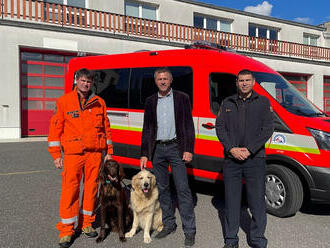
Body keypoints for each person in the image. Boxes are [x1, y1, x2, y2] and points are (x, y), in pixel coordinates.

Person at [48, 68, 113, 248]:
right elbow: (55, 129)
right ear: (77, 80)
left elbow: (106, 129)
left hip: (94, 154)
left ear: (92, 83)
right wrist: (56, 155)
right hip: (73, 154)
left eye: (89, 81)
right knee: (70, 190)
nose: (86, 84)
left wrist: (109, 152)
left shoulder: (99, 102)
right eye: (83, 80)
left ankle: (87, 223)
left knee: (92, 189)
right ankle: (67, 231)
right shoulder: (64, 102)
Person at [215, 69, 274, 248]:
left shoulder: (263, 102)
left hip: (254, 159)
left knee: (256, 202)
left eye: (247, 80)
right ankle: (231, 240)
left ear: (253, 82)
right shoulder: (227, 102)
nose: (244, 83)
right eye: (241, 80)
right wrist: (231, 149)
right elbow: (220, 127)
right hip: (231, 160)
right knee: (231, 202)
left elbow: (268, 129)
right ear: (236, 82)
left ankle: (257, 240)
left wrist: (249, 149)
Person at [140, 67, 196, 247]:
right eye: (159, 79)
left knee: (183, 189)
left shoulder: (182, 98)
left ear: (171, 80)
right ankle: (169, 224)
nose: (162, 81)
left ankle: (189, 230)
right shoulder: (150, 101)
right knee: (162, 189)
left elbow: (188, 125)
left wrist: (188, 148)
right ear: (155, 81)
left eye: (165, 78)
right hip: (157, 150)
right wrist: (144, 153)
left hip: (176, 148)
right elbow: (147, 128)